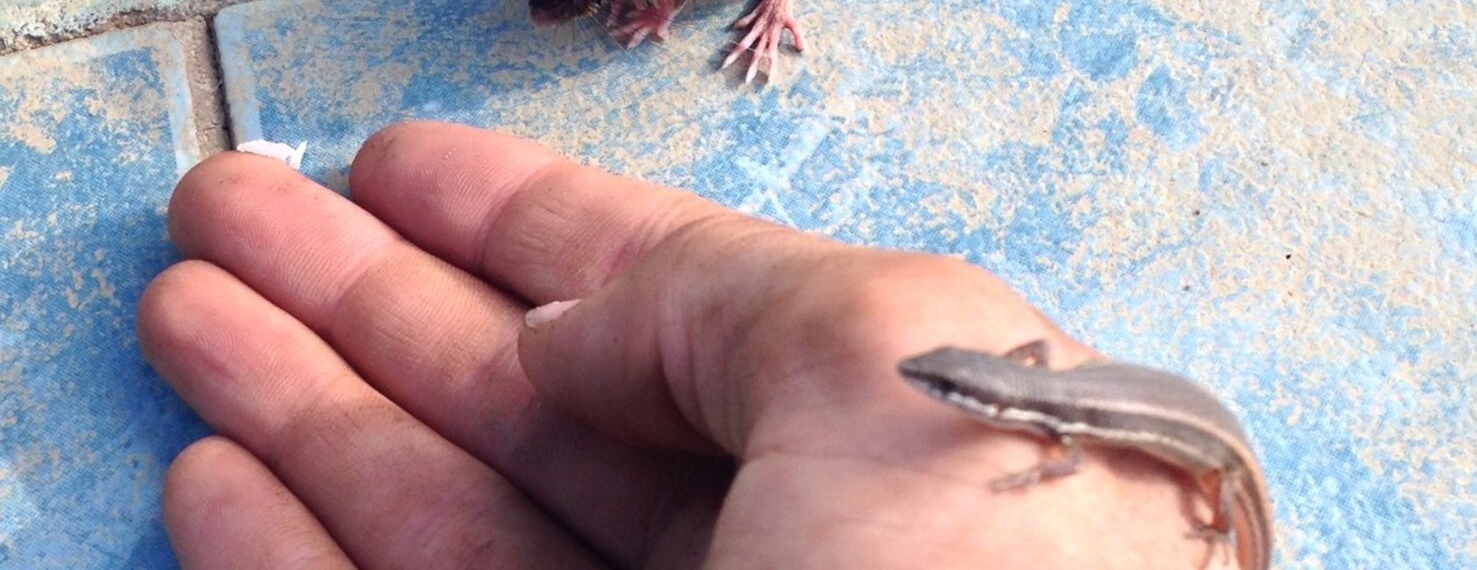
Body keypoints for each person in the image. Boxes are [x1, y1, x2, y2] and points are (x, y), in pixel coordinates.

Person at [139, 121, 1223, 568]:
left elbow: (1066, 453)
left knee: (1219, 487)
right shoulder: (1023, 391)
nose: (929, 388)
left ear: (992, 403)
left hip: (1189, 449)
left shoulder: (1056, 428)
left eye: (949, 387)